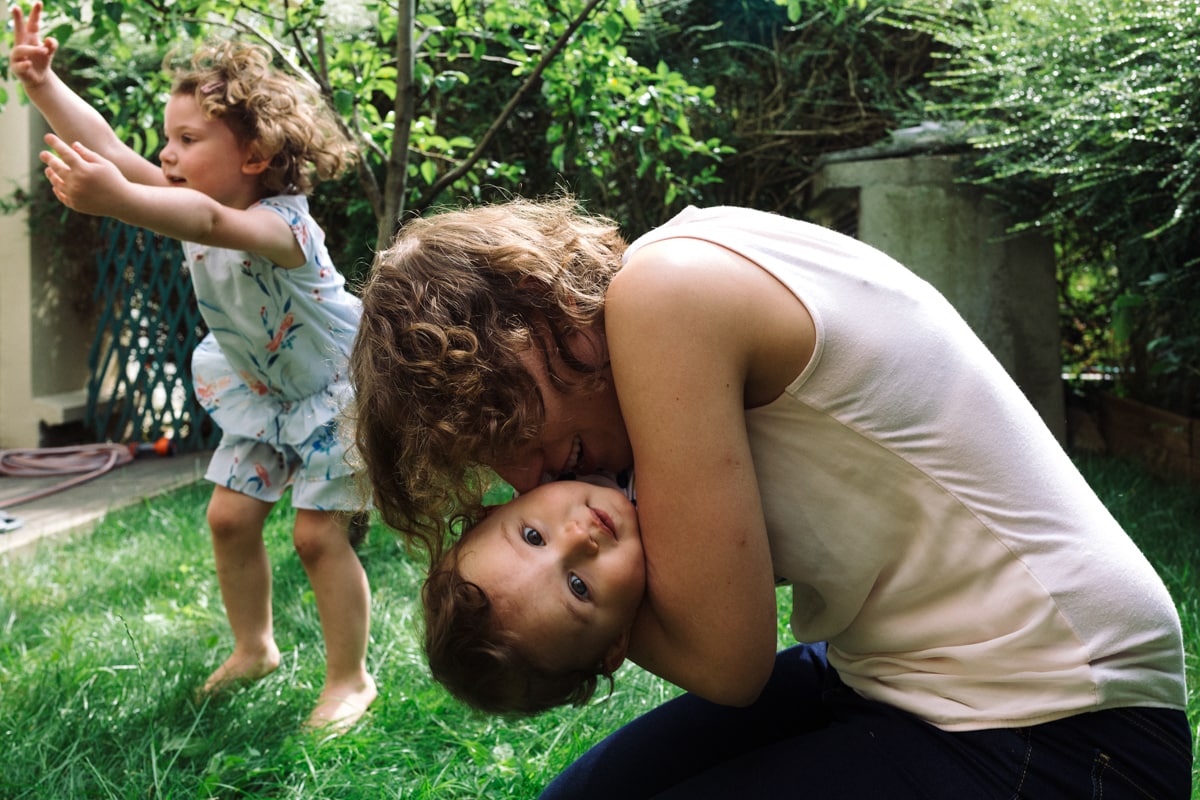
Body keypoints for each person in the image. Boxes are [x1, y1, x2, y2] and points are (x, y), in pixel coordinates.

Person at [351, 195, 1190, 798]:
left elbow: (728, 662)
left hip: (1062, 725)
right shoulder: (662, 313)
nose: (525, 476)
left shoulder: (666, 296)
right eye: (494, 465)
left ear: (543, 315)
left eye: (508, 426)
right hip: (890, 678)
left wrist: (551, 605)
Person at [9, 1, 376, 731]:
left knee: (315, 536)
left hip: (335, 395)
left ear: (255, 155)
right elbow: (111, 150)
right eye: (166, 140)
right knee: (230, 518)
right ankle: (254, 648)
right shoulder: (192, 196)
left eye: (186, 139)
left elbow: (209, 226)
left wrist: (120, 202)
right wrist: (43, 85)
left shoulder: (282, 226)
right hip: (264, 392)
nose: (166, 156)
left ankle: (349, 680)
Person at [423, 472, 641, 715]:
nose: (578, 536)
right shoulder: (677, 559)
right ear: (616, 643)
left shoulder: (550, 456)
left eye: (533, 537)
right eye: (578, 586)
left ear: (495, 510)